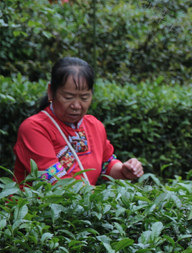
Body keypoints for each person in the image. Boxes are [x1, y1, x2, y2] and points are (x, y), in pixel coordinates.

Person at [14, 57, 144, 186]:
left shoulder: (95, 126)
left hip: (81, 204)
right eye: (68, 97)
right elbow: (56, 183)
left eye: (84, 97)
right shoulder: (34, 128)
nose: (76, 105)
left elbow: (107, 163)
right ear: (51, 92)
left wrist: (124, 171)